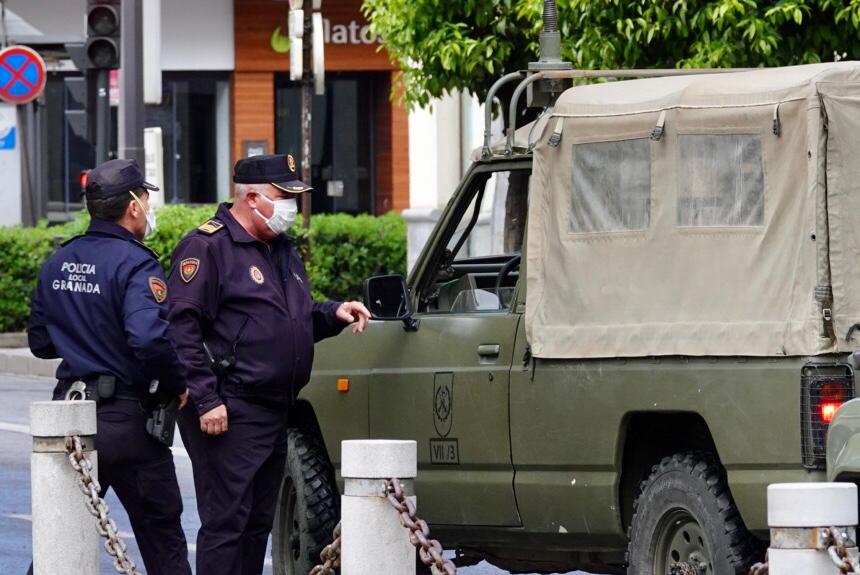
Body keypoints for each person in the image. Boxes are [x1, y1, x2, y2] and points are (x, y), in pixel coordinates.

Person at [167, 153, 370, 575]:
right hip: (230, 409)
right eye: (284, 196)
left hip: (274, 408)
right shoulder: (207, 246)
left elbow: (289, 318)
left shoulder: (277, 248)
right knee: (227, 523)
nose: (291, 208)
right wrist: (206, 400)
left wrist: (333, 313)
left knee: (257, 523)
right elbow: (180, 328)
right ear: (253, 197)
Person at [27, 159, 192, 575]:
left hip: (70, 415)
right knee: (162, 539)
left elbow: (41, 343)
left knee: (58, 538)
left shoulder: (60, 260)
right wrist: (178, 383)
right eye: (148, 197)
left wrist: (84, 340)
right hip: (127, 419)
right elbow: (149, 339)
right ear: (133, 205)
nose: (150, 206)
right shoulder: (135, 263)